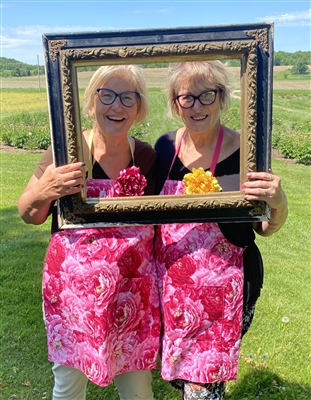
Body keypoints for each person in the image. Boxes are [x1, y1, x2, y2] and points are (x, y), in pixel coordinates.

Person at [17, 65, 160, 400]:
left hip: (132, 294)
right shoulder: (67, 150)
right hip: (72, 296)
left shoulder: (146, 156)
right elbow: (28, 212)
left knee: (138, 389)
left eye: (128, 97)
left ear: (139, 108)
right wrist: (47, 188)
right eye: (107, 95)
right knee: (69, 386)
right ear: (91, 101)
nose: (117, 106)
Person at [154, 61, 288, 400]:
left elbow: (267, 227)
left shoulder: (247, 151)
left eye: (207, 95)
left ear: (222, 97)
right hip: (172, 293)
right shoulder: (164, 148)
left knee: (203, 385)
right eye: (187, 98)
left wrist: (280, 203)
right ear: (175, 103)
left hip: (225, 292)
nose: (197, 106)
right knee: (184, 378)